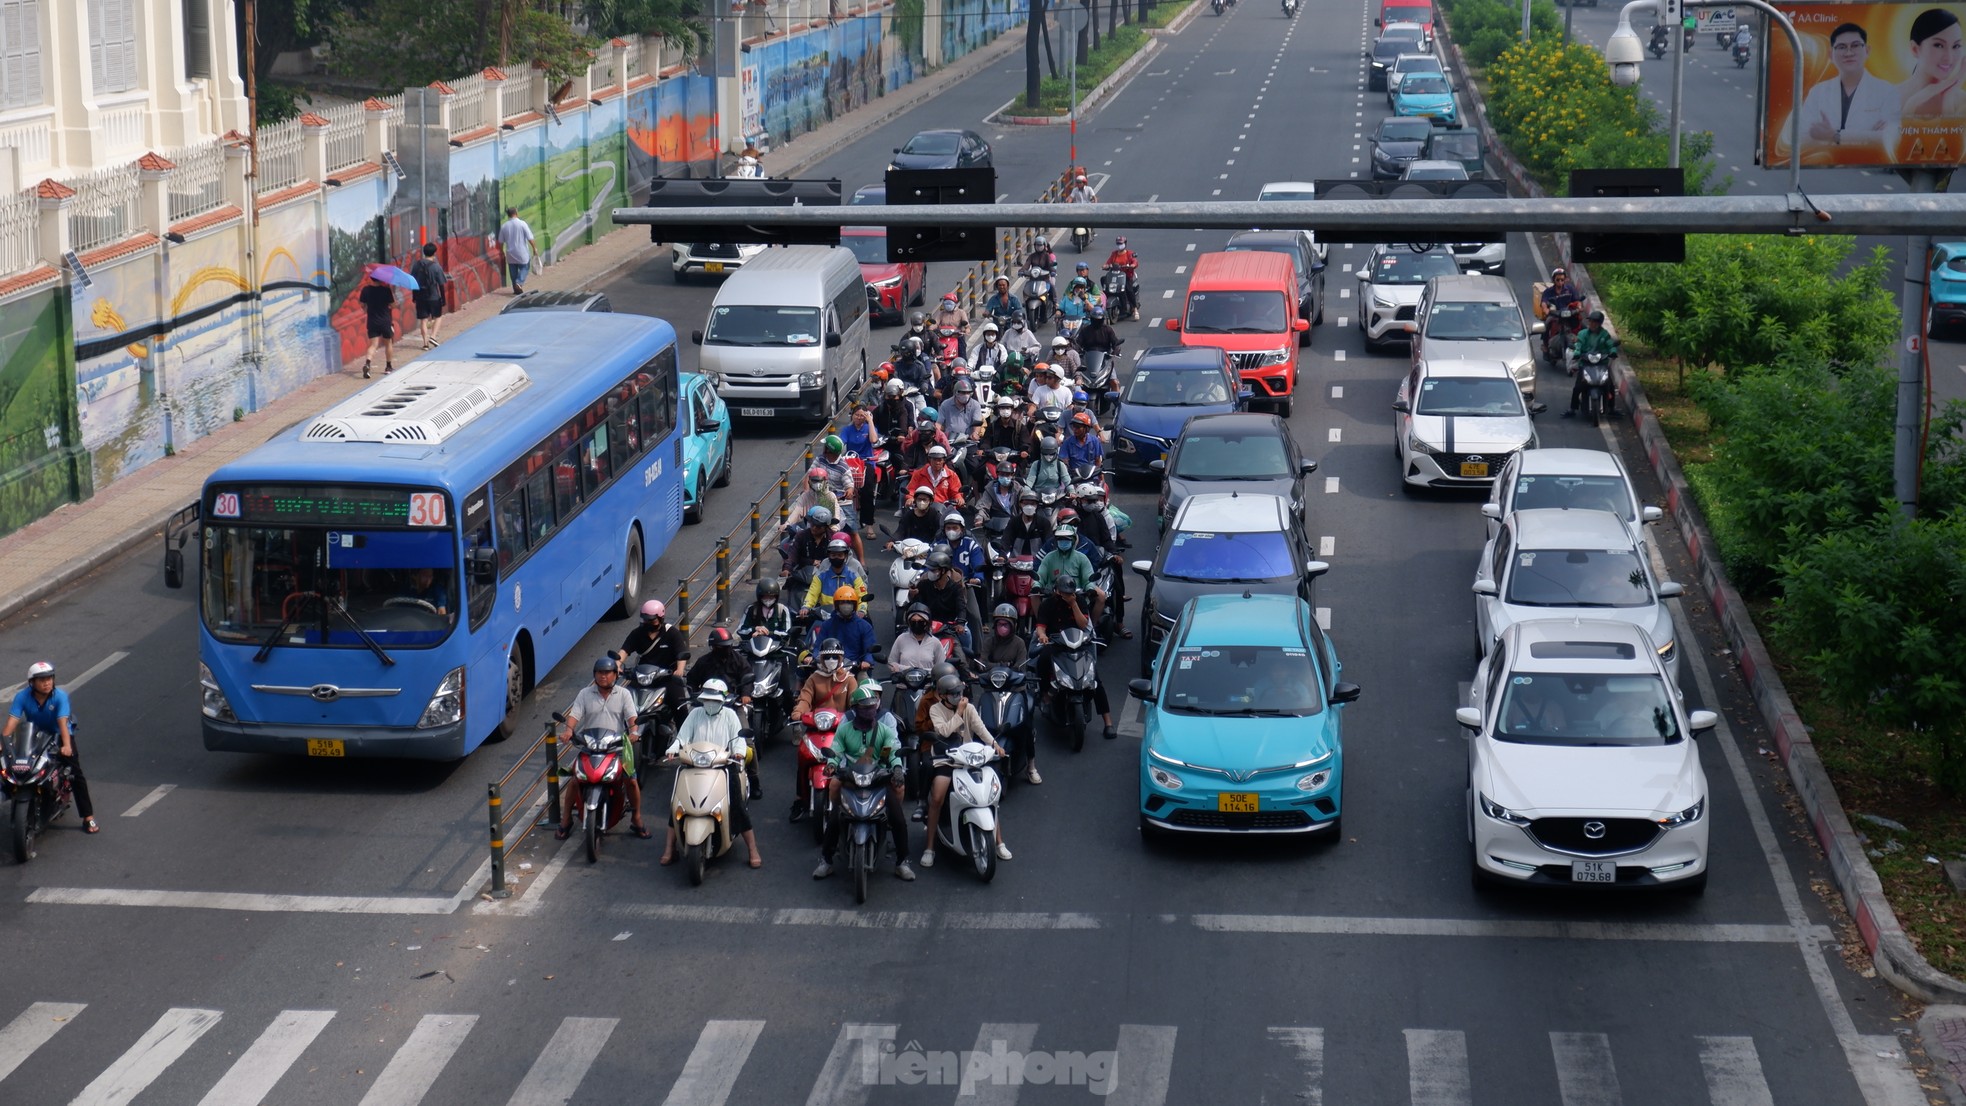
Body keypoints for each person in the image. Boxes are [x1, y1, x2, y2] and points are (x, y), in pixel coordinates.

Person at [813, 685, 915, 881]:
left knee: (899, 819)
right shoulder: (844, 731)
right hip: (851, 781)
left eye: (872, 705)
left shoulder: (884, 731)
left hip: (879, 780)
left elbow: (892, 752)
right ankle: (826, 861)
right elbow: (836, 751)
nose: (870, 710)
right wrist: (831, 765)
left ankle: (902, 862)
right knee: (835, 819)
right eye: (865, 707)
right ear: (855, 709)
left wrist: (897, 769)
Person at [660, 680, 763, 869]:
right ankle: (669, 848)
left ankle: (752, 849)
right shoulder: (695, 715)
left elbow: (738, 740)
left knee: (737, 805)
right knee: (677, 803)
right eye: (707, 699)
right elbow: (682, 737)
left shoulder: (730, 716)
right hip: (694, 765)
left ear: (723, 701)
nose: (710, 703)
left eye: (714, 700)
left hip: (723, 766)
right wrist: (673, 748)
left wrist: (738, 752)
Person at [919, 673, 1013, 867]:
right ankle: (930, 847)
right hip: (945, 759)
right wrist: (959, 713)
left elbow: (980, 729)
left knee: (989, 796)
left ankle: (999, 841)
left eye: (959, 693)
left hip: (969, 758)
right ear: (943, 695)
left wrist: (995, 745)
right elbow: (943, 731)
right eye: (953, 694)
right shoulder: (936, 710)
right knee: (937, 796)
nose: (957, 697)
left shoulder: (969, 708)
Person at [557, 657, 649, 840]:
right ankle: (566, 820)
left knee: (630, 780)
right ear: (594, 675)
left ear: (615, 675)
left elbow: (632, 718)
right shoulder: (585, 693)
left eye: (607, 673)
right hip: (590, 747)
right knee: (575, 780)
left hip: (616, 747)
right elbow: (575, 715)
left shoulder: (623, 694)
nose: (603, 676)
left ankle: (636, 818)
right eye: (600, 672)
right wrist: (568, 731)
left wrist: (634, 732)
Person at [4, 662, 95, 834]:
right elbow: (12, 722)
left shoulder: (60, 696)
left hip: (59, 734)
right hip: (34, 734)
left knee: (75, 772)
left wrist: (67, 746)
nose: (47, 683)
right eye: (41, 680)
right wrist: (3, 744)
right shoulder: (22, 697)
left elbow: (62, 723)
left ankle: (88, 817)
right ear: (32, 683)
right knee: (14, 765)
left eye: (49, 679)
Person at [1031, 576, 1118, 739]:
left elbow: (1083, 625)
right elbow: (1041, 627)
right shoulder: (1047, 604)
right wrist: (1043, 636)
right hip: (1056, 644)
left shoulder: (1079, 601)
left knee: (1095, 679)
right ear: (1057, 591)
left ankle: (1108, 721)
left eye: (1069, 593)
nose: (1066, 595)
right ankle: (1045, 696)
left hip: (1079, 644)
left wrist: (1073, 604)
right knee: (1042, 661)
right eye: (1063, 593)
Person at [1797, 22, 1899, 160]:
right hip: (1824, 165)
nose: (1849, 53)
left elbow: (1888, 138)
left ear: (1867, 50)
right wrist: (1867, 134)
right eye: (1841, 47)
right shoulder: (1818, 92)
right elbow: (1803, 136)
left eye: (1856, 45)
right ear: (1830, 54)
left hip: (1869, 162)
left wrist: (1834, 136)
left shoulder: (1887, 91)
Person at [1037, 523, 1107, 633]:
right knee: (1033, 595)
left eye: (1066, 539)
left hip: (1076, 595)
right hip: (1054, 595)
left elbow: (1088, 578)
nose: (1063, 541)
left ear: (1073, 540)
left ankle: (1092, 626)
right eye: (1060, 539)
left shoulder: (1081, 558)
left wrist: (1089, 588)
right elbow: (1040, 576)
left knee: (1101, 596)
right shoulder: (1049, 558)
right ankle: (1040, 626)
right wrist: (1037, 586)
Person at [1901, 9, 1966, 120]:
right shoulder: (1887, 97)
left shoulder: (1962, 100)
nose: (1949, 58)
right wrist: (1913, 103)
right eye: (1938, 45)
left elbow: (1953, 136)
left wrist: (1948, 98)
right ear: (1915, 49)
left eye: (1956, 46)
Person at [914, 550, 975, 653]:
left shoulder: (956, 588)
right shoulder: (923, 585)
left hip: (949, 625)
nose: (930, 573)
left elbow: (961, 608)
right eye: (929, 569)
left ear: (943, 571)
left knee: (966, 634)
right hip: (928, 624)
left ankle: (968, 658)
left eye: (934, 570)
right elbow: (917, 605)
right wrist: (913, 596)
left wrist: (960, 623)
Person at [1565, 310, 1622, 419]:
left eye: (1595, 322)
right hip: (1585, 364)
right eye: (1591, 322)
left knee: (1609, 386)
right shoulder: (1583, 334)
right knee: (1577, 387)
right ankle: (1572, 408)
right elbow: (1578, 344)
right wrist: (1577, 353)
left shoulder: (1604, 334)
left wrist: (1613, 351)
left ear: (1599, 323)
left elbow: (1610, 344)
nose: (1592, 324)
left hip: (1601, 364)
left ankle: (1611, 408)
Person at [812, 588, 880, 669]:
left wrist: (867, 661)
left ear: (855, 605)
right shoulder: (827, 625)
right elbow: (818, 646)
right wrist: (814, 657)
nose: (846, 606)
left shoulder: (865, 626)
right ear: (837, 605)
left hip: (855, 668)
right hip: (830, 666)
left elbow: (869, 649)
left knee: (864, 680)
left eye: (849, 603)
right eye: (842, 603)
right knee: (811, 678)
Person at [802, 536, 870, 612]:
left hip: (849, 616)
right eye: (833, 555)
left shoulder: (854, 576)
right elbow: (812, 594)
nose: (836, 558)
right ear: (829, 556)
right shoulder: (820, 576)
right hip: (826, 616)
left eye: (840, 555)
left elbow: (862, 596)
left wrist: (862, 610)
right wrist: (806, 607)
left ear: (846, 556)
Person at [407, 243, 450, 349]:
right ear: (434, 253)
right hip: (434, 296)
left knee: (423, 320)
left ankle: (425, 344)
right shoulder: (436, 267)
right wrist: (443, 299)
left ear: (424, 252)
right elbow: (441, 284)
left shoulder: (417, 265)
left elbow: (413, 282)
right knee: (438, 317)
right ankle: (433, 337)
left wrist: (414, 296)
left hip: (420, 296)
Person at [357, 266, 397, 378]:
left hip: (372, 321)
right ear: (381, 279)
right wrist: (392, 296)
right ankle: (388, 367)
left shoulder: (365, 290)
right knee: (388, 343)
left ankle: (368, 363)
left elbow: (362, 304)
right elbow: (393, 305)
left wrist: (366, 310)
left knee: (373, 345)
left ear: (372, 278)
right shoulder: (386, 290)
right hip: (385, 321)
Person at [890, 603, 950, 675]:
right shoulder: (901, 639)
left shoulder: (935, 643)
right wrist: (898, 668)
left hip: (927, 685)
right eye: (913, 622)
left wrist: (925, 672)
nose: (917, 624)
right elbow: (891, 663)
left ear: (927, 622)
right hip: (904, 685)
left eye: (920, 621)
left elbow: (941, 668)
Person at [1537, 268, 1585, 359]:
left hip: (1569, 314)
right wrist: (1546, 310)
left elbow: (1577, 300)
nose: (1560, 282)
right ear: (1553, 280)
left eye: (1562, 280)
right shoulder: (1548, 292)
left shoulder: (1570, 289)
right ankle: (1546, 346)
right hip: (1555, 315)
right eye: (1557, 280)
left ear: (1565, 280)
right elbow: (1544, 303)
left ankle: (1585, 347)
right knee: (1547, 323)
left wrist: (1579, 307)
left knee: (1583, 326)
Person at [497, 206, 536, 294]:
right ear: (516, 213)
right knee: (525, 267)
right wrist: (534, 248)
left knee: (513, 271)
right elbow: (530, 238)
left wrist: (501, 252)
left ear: (508, 215)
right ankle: (519, 283)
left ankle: (516, 288)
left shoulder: (504, 226)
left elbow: (500, 242)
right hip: (522, 253)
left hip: (510, 254)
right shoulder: (522, 224)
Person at [1059, 411, 1105, 477]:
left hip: (1092, 476)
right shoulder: (1067, 442)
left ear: (1086, 429)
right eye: (1074, 427)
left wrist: (1101, 479)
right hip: (1074, 476)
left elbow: (1098, 462)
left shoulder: (1095, 441)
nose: (1075, 429)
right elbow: (1064, 461)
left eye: (1078, 427)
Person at [1104, 236, 1141, 319]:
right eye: (1118, 243)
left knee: (1128, 289)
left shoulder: (1129, 253)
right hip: (1115, 276)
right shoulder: (1114, 254)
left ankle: (1135, 309)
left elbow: (1134, 261)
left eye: (1121, 243)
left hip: (1126, 277)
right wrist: (1105, 266)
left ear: (1125, 244)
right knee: (1104, 281)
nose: (1119, 245)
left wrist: (1132, 265)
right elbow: (1108, 262)